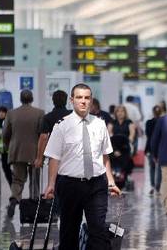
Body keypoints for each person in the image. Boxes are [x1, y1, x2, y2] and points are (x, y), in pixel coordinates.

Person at [43, 83, 121, 250]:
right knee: (69, 231)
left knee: (98, 231)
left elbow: (105, 155)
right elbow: (54, 158)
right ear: (72, 100)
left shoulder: (100, 124)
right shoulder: (62, 126)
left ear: (91, 100)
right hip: (70, 184)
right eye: (79, 97)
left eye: (87, 98)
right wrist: (51, 184)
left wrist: (111, 182)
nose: (83, 101)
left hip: (96, 184)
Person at [3, 90, 45, 218]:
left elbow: (5, 133)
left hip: (17, 150)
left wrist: (7, 146)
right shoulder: (39, 113)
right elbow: (42, 133)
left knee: (18, 179)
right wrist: (42, 154)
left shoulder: (11, 113)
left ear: (20, 99)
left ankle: (14, 199)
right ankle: (34, 201)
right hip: (34, 151)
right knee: (34, 178)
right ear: (31, 99)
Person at [34, 90, 72, 169]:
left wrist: (39, 158)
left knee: (54, 178)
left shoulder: (48, 117)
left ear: (53, 101)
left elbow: (44, 137)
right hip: (71, 152)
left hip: (55, 153)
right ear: (66, 101)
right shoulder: (72, 115)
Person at [145, 105, 163, 195]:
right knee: (159, 168)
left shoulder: (149, 122)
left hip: (150, 148)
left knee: (152, 167)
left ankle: (153, 185)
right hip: (160, 148)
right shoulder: (164, 122)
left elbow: (148, 135)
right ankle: (157, 187)